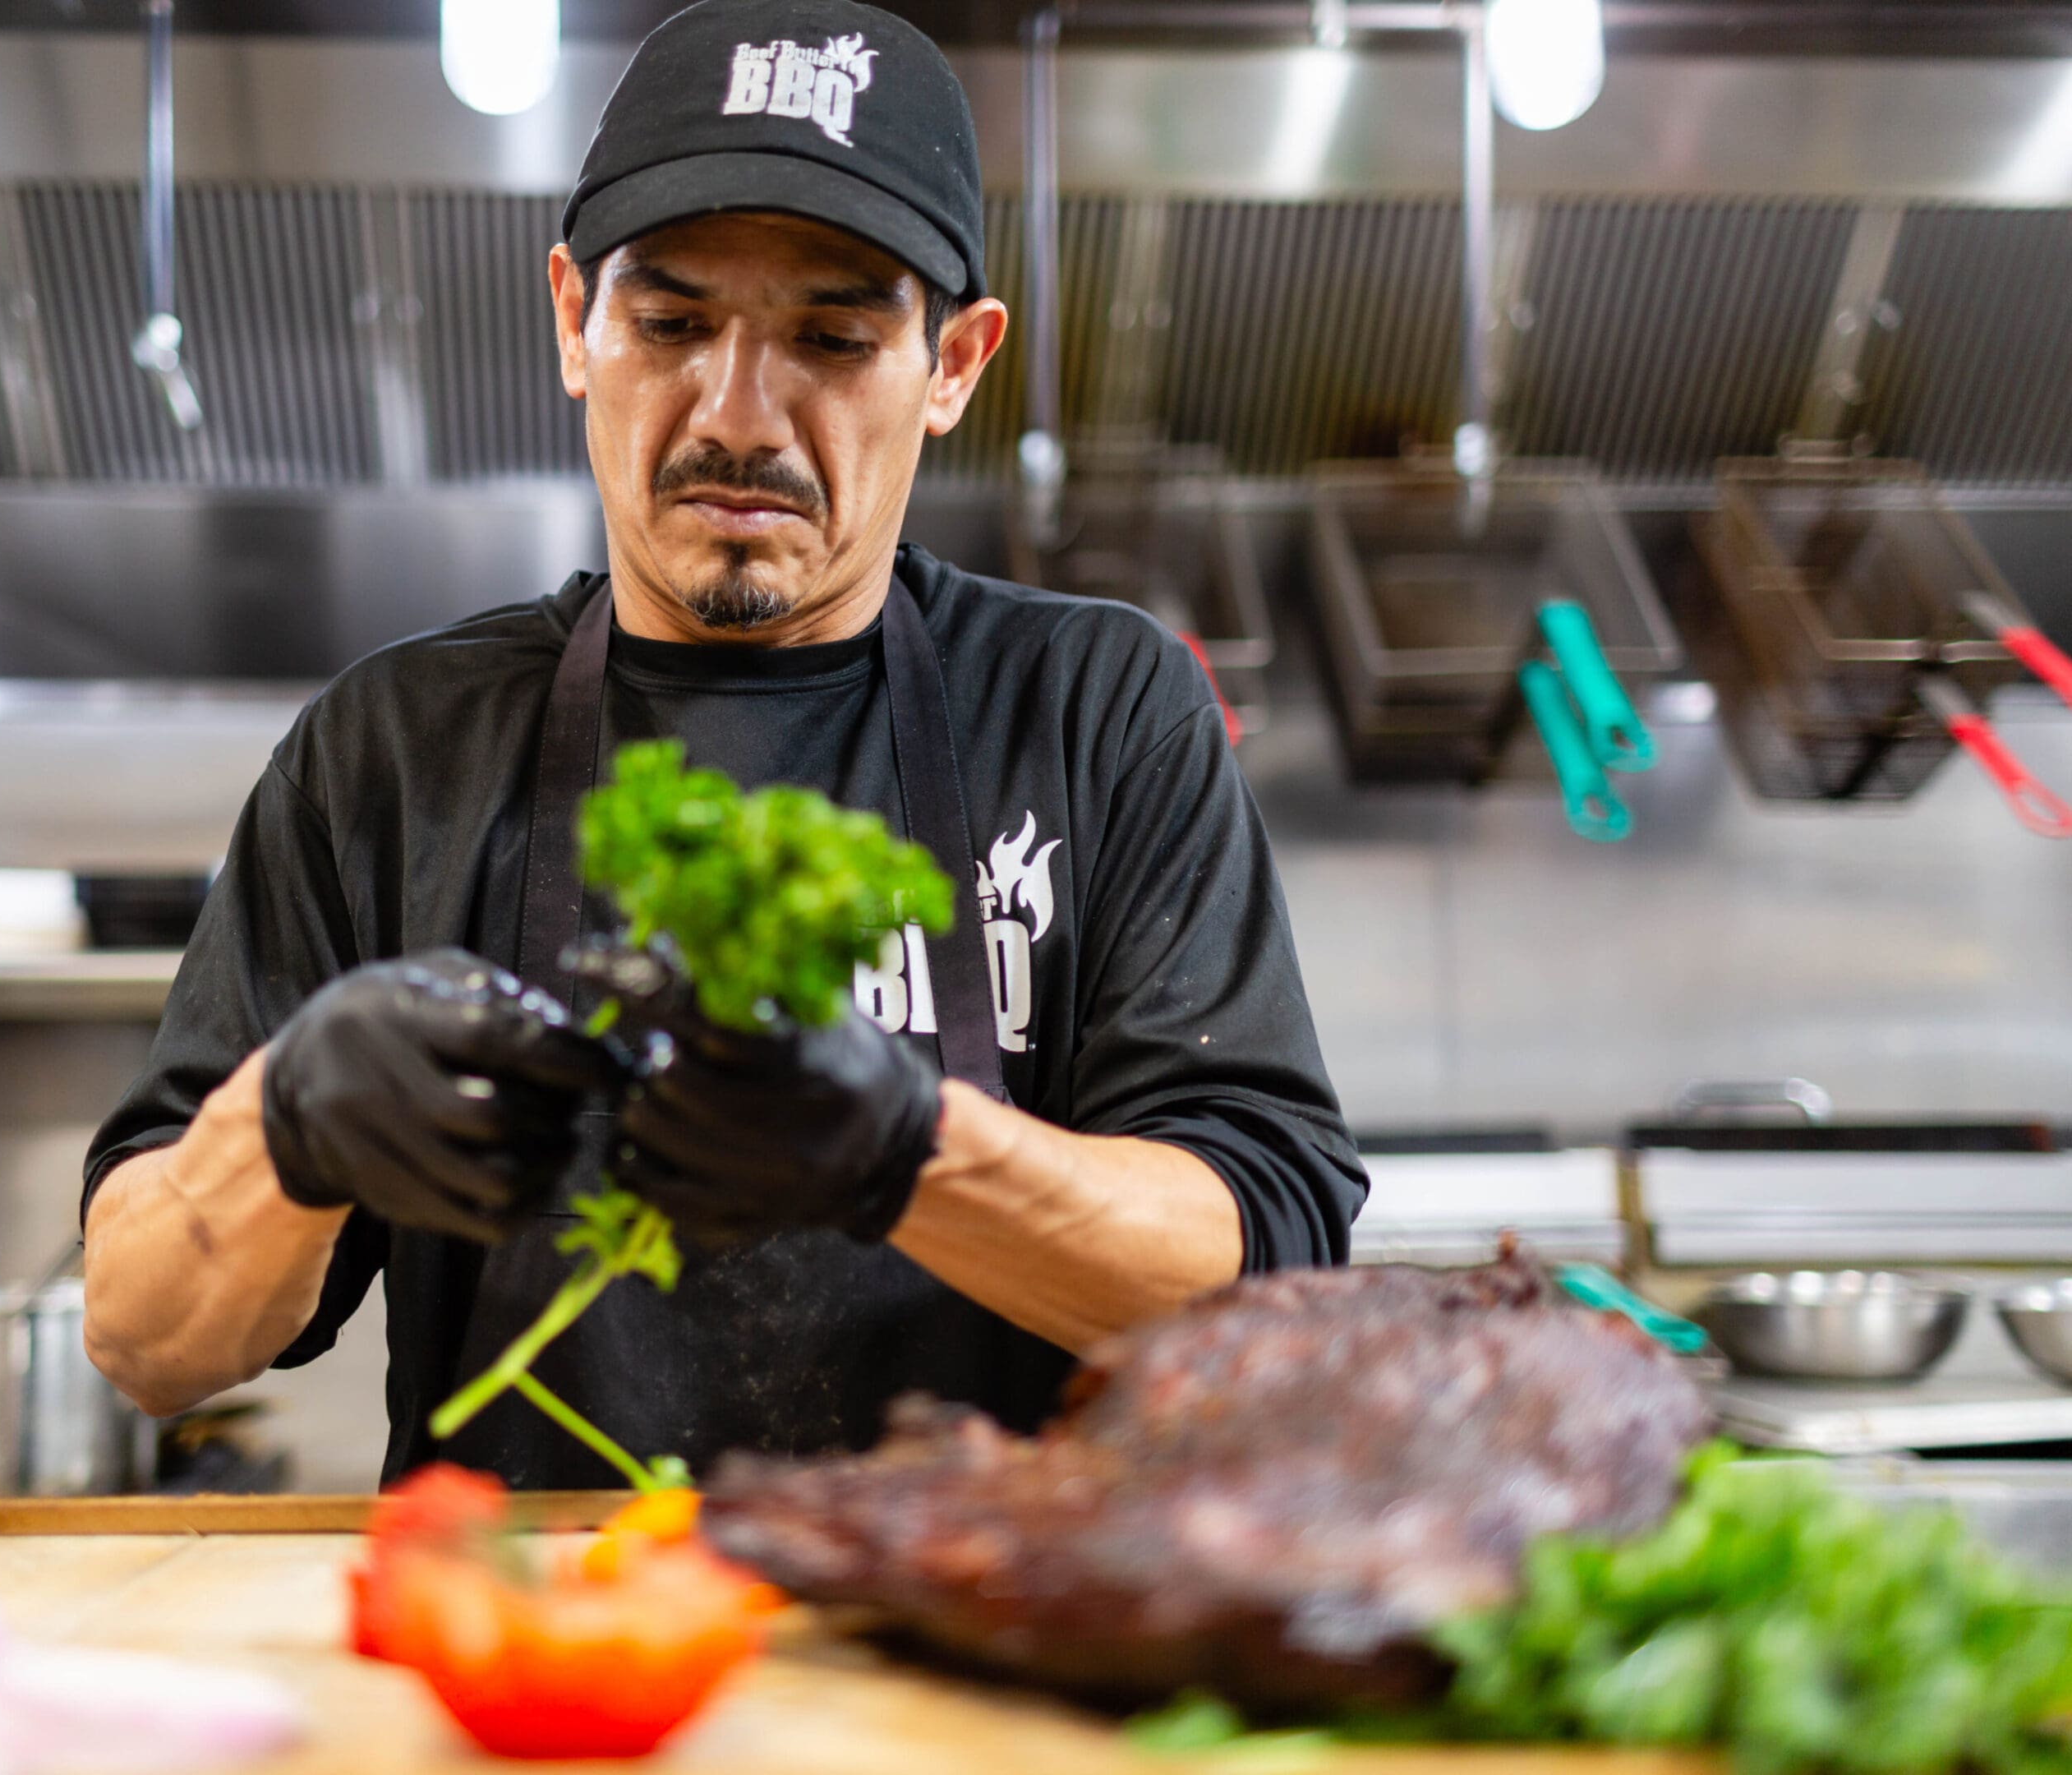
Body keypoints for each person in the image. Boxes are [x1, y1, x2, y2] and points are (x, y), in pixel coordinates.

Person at [81, 0, 1365, 1488]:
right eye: (673, 324)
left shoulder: (1095, 707)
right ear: (575, 321)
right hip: (547, 1665)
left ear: (952, 363)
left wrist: (910, 1153)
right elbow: (146, 1338)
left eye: (832, 335)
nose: (738, 415)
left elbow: (1265, 1267)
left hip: (986, 1658)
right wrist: (287, 1126)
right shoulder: (395, 749)